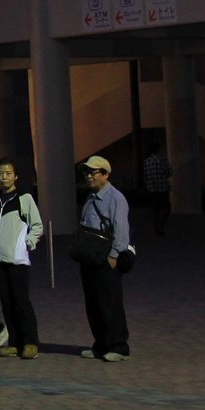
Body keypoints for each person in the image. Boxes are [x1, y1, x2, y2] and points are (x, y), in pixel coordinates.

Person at [0, 159, 43, 359]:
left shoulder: (24, 199)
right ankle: (15, 343)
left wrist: (28, 243)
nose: (4, 177)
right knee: (6, 302)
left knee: (21, 301)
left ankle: (31, 342)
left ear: (15, 176)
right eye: (0, 173)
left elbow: (37, 226)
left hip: (16, 259)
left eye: (8, 173)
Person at [77, 155, 133, 362]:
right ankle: (100, 344)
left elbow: (121, 231)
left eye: (93, 172)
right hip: (89, 258)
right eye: (86, 172)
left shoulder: (116, 198)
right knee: (93, 304)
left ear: (106, 174)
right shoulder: (90, 197)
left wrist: (113, 256)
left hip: (106, 259)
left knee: (110, 303)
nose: (89, 176)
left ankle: (118, 346)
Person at [141, 143, 171, 237]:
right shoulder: (163, 160)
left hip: (151, 189)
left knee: (155, 210)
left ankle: (156, 226)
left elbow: (144, 175)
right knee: (167, 208)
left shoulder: (147, 162)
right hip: (163, 188)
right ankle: (161, 225)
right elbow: (169, 172)